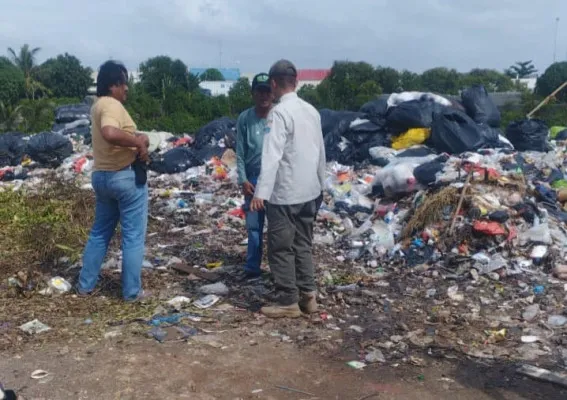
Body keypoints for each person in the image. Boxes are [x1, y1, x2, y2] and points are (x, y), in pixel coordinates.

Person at [250, 60, 326, 318]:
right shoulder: (311, 111)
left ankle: (288, 302)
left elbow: (271, 156)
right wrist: (321, 185)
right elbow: (320, 153)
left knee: (281, 247)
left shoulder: (279, 113)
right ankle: (308, 296)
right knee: (303, 244)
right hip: (310, 191)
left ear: (273, 84)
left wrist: (261, 193)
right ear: (296, 81)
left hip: (285, 194)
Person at [77, 60, 150, 302]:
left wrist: (138, 139)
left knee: (100, 233)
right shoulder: (111, 105)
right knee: (132, 237)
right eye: (123, 83)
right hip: (124, 177)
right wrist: (138, 143)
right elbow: (110, 133)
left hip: (102, 177)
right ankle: (131, 293)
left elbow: (111, 134)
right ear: (112, 86)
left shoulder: (97, 105)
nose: (126, 88)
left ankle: (85, 286)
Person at [236, 73, 274, 279]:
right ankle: (252, 268)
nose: (264, 95)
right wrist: (243, 179)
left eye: (267, 90)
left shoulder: (278, 116)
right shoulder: (245, 119)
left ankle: (278, 270)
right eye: (260, 91)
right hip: (253, 178)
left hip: (276, 179)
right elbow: (240, 153)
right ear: (253, 94)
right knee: (254, 227)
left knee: (277, 227)